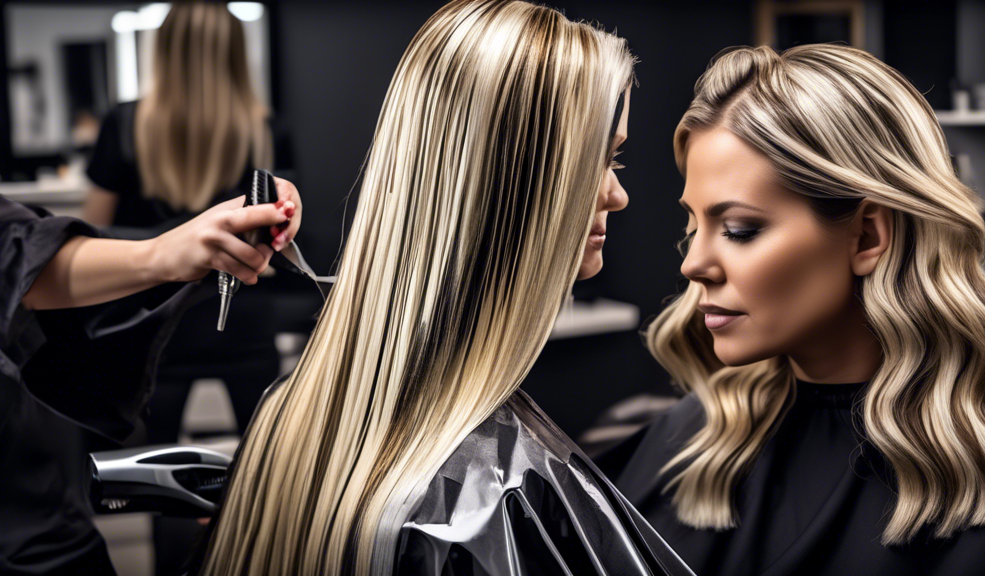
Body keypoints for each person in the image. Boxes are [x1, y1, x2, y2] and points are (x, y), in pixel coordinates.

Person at [195, 2, 692, 575]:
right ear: (527, 179)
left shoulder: (289, 410)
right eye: (598, 160)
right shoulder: (487, 500)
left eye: (617, 161)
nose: (617, 195)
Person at [607, 44, 985, 575]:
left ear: (868, 236)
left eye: (739, 230)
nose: (694, 264)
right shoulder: (691, 438)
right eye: (693, 227)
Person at [0, 189, 299, 575]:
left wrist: (169, 249)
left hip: (38, 513)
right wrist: (160, 253)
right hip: (26, 521)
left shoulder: (123, 132)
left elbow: (25, 252)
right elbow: (21, 257)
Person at [81, 2, 287, 448]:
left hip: (159, 326)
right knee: (262, 477)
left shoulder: (123, 123)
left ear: (164, 49)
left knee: (158, 479)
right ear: (234, 52)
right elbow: (280, 241)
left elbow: (93, 231)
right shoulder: (264, 127)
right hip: (245, 325)